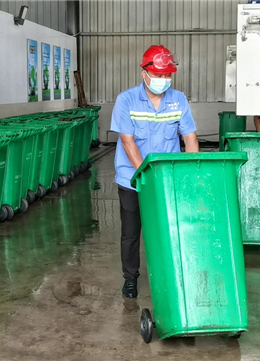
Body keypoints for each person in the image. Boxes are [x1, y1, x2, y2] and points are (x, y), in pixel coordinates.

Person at [110, 45, 199, 298]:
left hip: (168, 180)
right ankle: (130, 278)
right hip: (132, 180)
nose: (163, 80)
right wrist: (145, 175)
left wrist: (190, 175)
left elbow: (190, 138)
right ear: (144, 73)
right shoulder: (126, 100)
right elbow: (128, 142)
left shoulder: (178, 99)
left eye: (167, 76)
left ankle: (170, 275)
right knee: (131, 233)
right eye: (158, 75)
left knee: (170, 229)